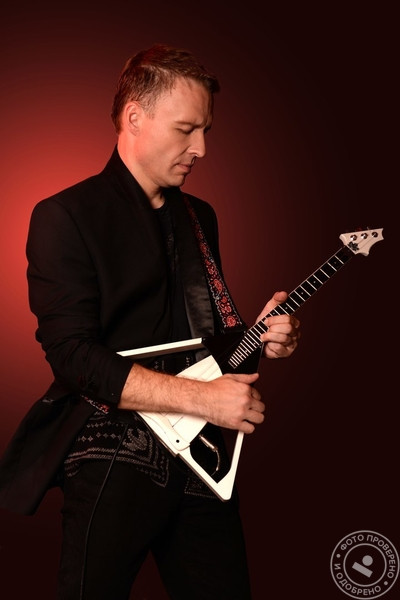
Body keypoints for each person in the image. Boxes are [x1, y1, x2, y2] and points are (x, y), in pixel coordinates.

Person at [0, 44, 300, 599]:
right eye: (186, 129)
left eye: (206, 130)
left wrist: (259, 334)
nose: (201, 148)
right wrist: (204, 400)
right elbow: (73, 357)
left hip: (199, 455)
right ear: (135, 117)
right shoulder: (64, 216)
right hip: (112, 446)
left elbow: (200, 342)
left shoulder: (199, 216)